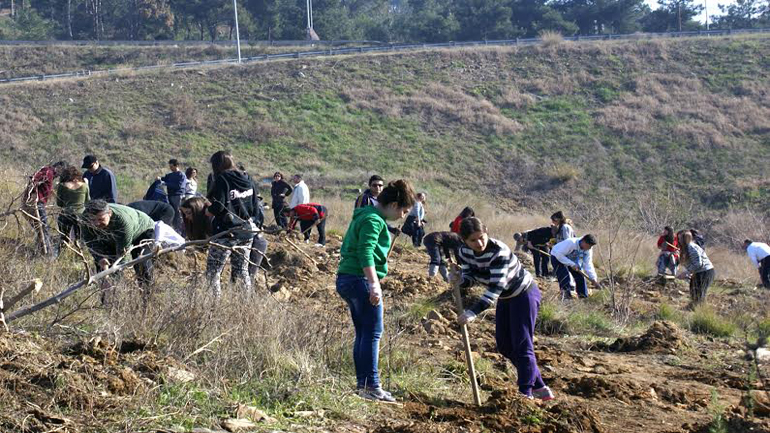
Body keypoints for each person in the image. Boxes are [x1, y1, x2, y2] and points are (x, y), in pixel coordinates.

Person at [451, 217, 554, 402]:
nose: (479, 243)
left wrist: (472, 312)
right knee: (505, 346)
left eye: (481, 237)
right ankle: (540, 387)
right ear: (464, 240)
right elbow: (471, 277)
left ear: (487, 231)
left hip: (524, 295)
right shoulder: (464, 252)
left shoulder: (499, 252)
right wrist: (459, 280)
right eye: (473, 240)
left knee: (522, 345)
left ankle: (525, 393)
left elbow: (495, 288)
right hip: (507, 298)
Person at [336, 180, 416, 402]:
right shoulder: (373, 220)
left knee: (363, 332)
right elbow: (365, 251)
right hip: (360, 280)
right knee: (372, 332)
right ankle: (371, 386)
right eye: (403, 210)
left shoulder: (367, 215)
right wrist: (373, 283)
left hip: (346, 279)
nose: (402, 216)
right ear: (392, 204)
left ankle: (363, 386)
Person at [206, 151, 259, 298]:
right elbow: (255, 208)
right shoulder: (247, 178)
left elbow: (218, 207)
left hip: (225, 232)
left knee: (213, 272)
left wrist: (209, 210)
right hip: (246, 230)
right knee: (242, 271)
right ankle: (244, 305)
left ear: (217, 165)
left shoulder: (222, 179)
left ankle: (213, 306)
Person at [181, 196, 269, 285]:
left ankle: (247, 298)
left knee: (242, 276)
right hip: (240, 240)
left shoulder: (215, 220)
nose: (186, 217)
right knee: (237, 277)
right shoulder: (205, 222)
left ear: (197, 210)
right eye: (185, 214)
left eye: (188, 213)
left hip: (255, 241)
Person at [80, 200, 155, 288]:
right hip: (110, 233)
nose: (96, 223)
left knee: (142, 264)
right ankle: (106, 296)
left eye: (101, 219)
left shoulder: (123, 222)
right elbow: (91, 242)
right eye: (93, 219)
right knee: (102, 264)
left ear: (110, 213)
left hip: (142, 229)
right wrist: (100, 258)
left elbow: (122, 256)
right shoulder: (85, 219)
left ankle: (147, 294)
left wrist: (114, 279)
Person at [26, 161, 66, 256]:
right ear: (59, 168)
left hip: (39, 203)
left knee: (41, 228)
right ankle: (47, 253)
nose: (60, 175)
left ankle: (40, 250)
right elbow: (34, 179)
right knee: (44, 227)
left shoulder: (49, 173)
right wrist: (34, 192)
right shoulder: (48, 171)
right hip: (37, 203)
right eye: (61, 172)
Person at [551, 235, 599, 299]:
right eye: (589, 246)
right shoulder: (571, 243)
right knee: (564, 276)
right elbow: (559, 255)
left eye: (591, 246)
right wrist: (572, 264)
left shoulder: (588, 250)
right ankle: (565, 297)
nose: (590, 248)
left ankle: (583, 297)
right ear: (583, 242)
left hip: (572, 260)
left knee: (580, 276)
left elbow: (588, 264)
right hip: (557, 256)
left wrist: (593, 278)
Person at [55, 166, 90, 250]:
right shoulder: (84, 186)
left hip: (65, 215)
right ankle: (80, 256)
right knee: (80, 239)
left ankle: (61, 255)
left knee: (64, 238)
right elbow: (88, 202)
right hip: (80, 215)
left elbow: (59, 203)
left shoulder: (62, 186)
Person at [677, 230, 715, 306]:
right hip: (699, 272)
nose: (679, 240)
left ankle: (699, 311)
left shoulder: (691, 247)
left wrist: (687, 273)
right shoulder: (686, 248)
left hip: (705, 272)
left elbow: (698, 264)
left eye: (680, 238)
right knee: (694, 292)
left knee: (699, 294)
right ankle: (694, 308)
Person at [159, 159, 188, 233]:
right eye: (170, 166)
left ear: (176, 165)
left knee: (178, 213)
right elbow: (163, 179)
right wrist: (159, 179)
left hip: (178, 196)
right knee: (172, 212)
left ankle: (179, 229)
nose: (170, 168)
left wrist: (165, 183)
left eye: (171, 166)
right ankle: (174, 228)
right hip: (170, 196)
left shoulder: (181, 175)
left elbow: (179, 186)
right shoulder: (170, 175)